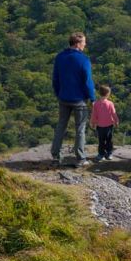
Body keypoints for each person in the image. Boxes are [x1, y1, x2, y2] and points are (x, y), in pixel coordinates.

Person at [52, 31, 96, 167]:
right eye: (83, 42)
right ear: (77, 44)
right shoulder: (83, 60)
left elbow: (55, 79)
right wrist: (93, 98)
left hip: (63, 98)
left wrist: (59, 93)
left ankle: (56, 156)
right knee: (80, 129)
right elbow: (88, 82)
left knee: (61, 126)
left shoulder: (60, 57)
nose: (85, 44)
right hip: (79, 100)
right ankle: (80, 158)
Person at [93, 84, 119, 162]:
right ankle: (109, 153)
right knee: (109, 140)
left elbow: (94, 115)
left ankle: (101, 154)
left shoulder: (95, 104)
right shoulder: (110, 103)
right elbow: (114, 114)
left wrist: (93, 123)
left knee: (101, 141)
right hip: (109, 126)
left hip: (99, 126)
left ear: (99, 93)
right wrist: (116, 121)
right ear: (108, 94)